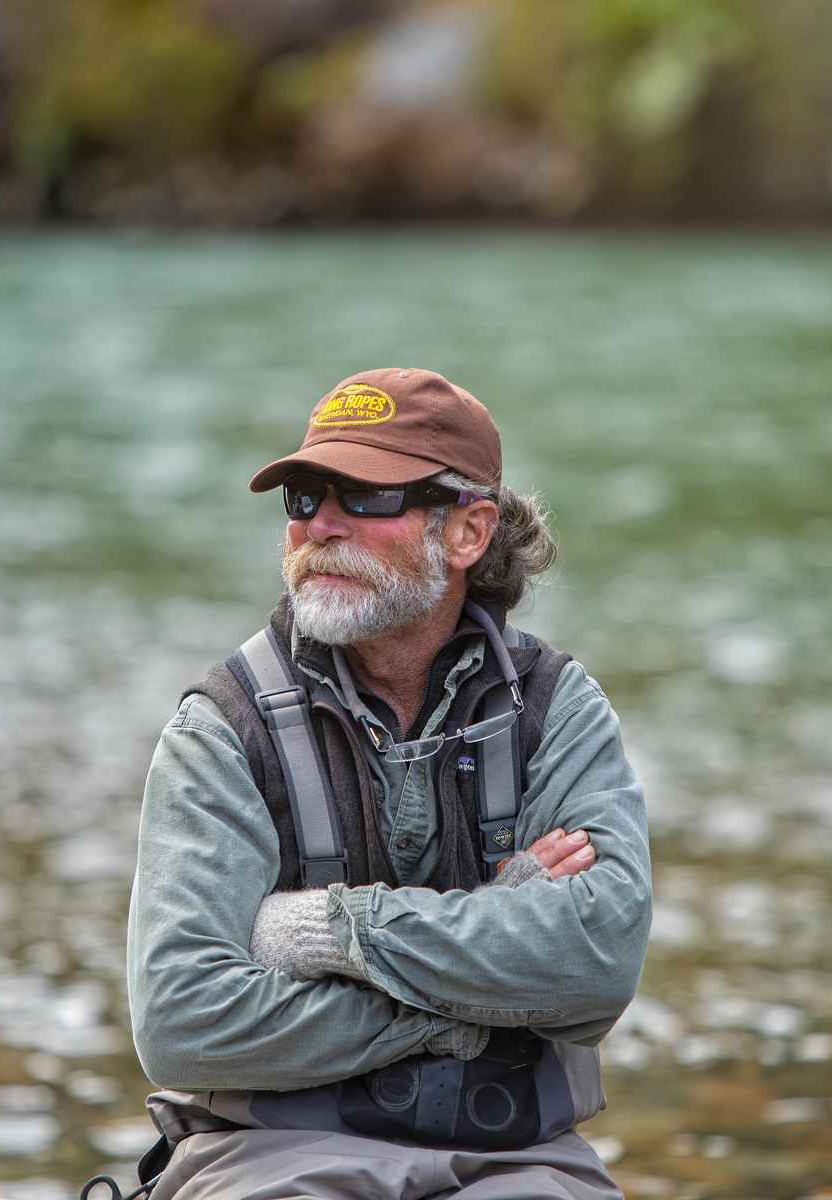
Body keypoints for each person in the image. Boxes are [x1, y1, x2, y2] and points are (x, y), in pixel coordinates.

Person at [126, 368, 652, 1199]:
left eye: (365, 498)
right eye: (302, 497)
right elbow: (183, 1023)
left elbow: (596, 964)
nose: (319, 527)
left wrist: (340, 933)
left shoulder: (561, 707)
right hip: (269, 1156)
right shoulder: (220, 727)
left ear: (469, 532)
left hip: (520, 1159)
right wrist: (486, 995)